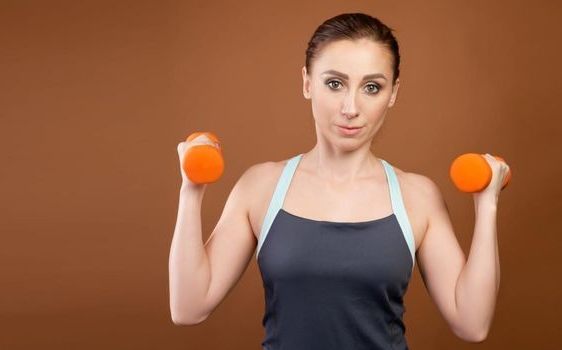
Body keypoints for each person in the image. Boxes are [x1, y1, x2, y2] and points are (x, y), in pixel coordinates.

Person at [169, 12, 507, 349]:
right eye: (335, 84)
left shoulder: (417, 196)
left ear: (393, 93)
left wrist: (487, 203)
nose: (350, 107)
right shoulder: (260, 187)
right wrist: (191, 189)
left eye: (371, 87)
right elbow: (189, 308)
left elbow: (471, 324)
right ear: (306, 82)